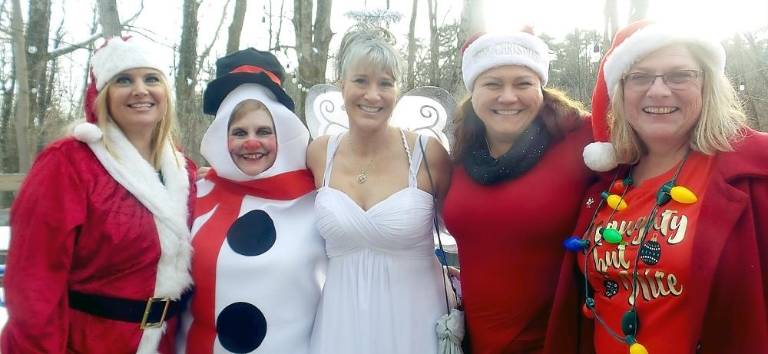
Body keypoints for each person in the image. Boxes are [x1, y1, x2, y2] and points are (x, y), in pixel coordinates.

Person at [545, 20, 768, 354]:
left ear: (707, 84)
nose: (659, 91)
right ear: (620, 92)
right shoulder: (605, 184)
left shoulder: (754, 170)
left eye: (680, 75)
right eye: (640, 77)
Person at [1, 36, 196, 353]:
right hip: (87, 341)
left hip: (165, 343)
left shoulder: (182, 171)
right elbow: (32, 282)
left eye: (151, 78)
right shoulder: (68, 163)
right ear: (102, 95)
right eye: (123, 79)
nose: (140, 90)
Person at [441, 30, 595, 353]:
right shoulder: (460, 150)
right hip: (473, 340)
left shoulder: (581, 137)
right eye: (493, 84)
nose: (508, 97)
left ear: (541, 87)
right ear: (473, 91)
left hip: (556, 340)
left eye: (523, 83)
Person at [307, 26, 452, 354]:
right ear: (341, 85)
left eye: (385, 83)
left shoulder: (428, 155)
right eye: (361, 81)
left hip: (415, 323)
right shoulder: (318, 154)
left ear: (397, 91)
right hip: (338, 325)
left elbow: (463, 223)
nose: (373, 95)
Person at [178, 48, 325, 354]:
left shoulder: (318, 200)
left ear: (281, 135)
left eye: (263, 131)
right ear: (223, 138)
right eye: (239, 132)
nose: (252, 142)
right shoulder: (194, 195)